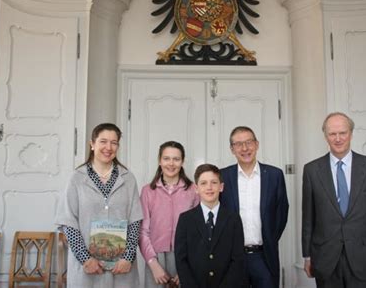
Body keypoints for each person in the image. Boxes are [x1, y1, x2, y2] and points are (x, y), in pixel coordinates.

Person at [302, 112, 366, 288]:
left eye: (342, 133)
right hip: (325, 259)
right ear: (325, 136)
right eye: (332, 134)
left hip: (364, 258)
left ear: (351, 133)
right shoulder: (312, 170)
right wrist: (307, 256)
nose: (338, 138)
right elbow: (308, 218)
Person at [55, 123, 143, 288]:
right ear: (92, 144)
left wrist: (128, 257)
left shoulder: (128, 178)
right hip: (87, 268)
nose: (108, 147)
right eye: (103, 141)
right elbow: (68, 223)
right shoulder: (76, 178)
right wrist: (85, 259)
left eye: (114, 142)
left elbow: (135, 221)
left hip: (121, 269)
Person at [220, 126, 289, 288]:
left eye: (249, 142)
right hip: (232, 257)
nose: (245, 148)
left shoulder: (274, 175)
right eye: (238, 144)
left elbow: (281, 213)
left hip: (263, 255)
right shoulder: (222, 176)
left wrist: (269, 238)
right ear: (232, 149)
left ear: (257, 144)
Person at [139, 141, 199, 287]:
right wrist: (153, 264)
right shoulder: (147, 191)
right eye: (166, 158)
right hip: (156, 258)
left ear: (182, 161)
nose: (171, 164)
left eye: (176, 159)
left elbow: (198, 232)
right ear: (160, 160)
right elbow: (143, 231)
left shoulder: (193, 190)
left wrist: (188, 267)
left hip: (186, 257)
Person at [175, 164, 245, 288]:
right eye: (203, 183)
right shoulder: (185, 219)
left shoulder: (233, 219)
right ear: (196, 188)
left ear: (221, 187)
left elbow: (237, 259)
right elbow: (181, 260)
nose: (209, 187)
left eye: (214, 182)